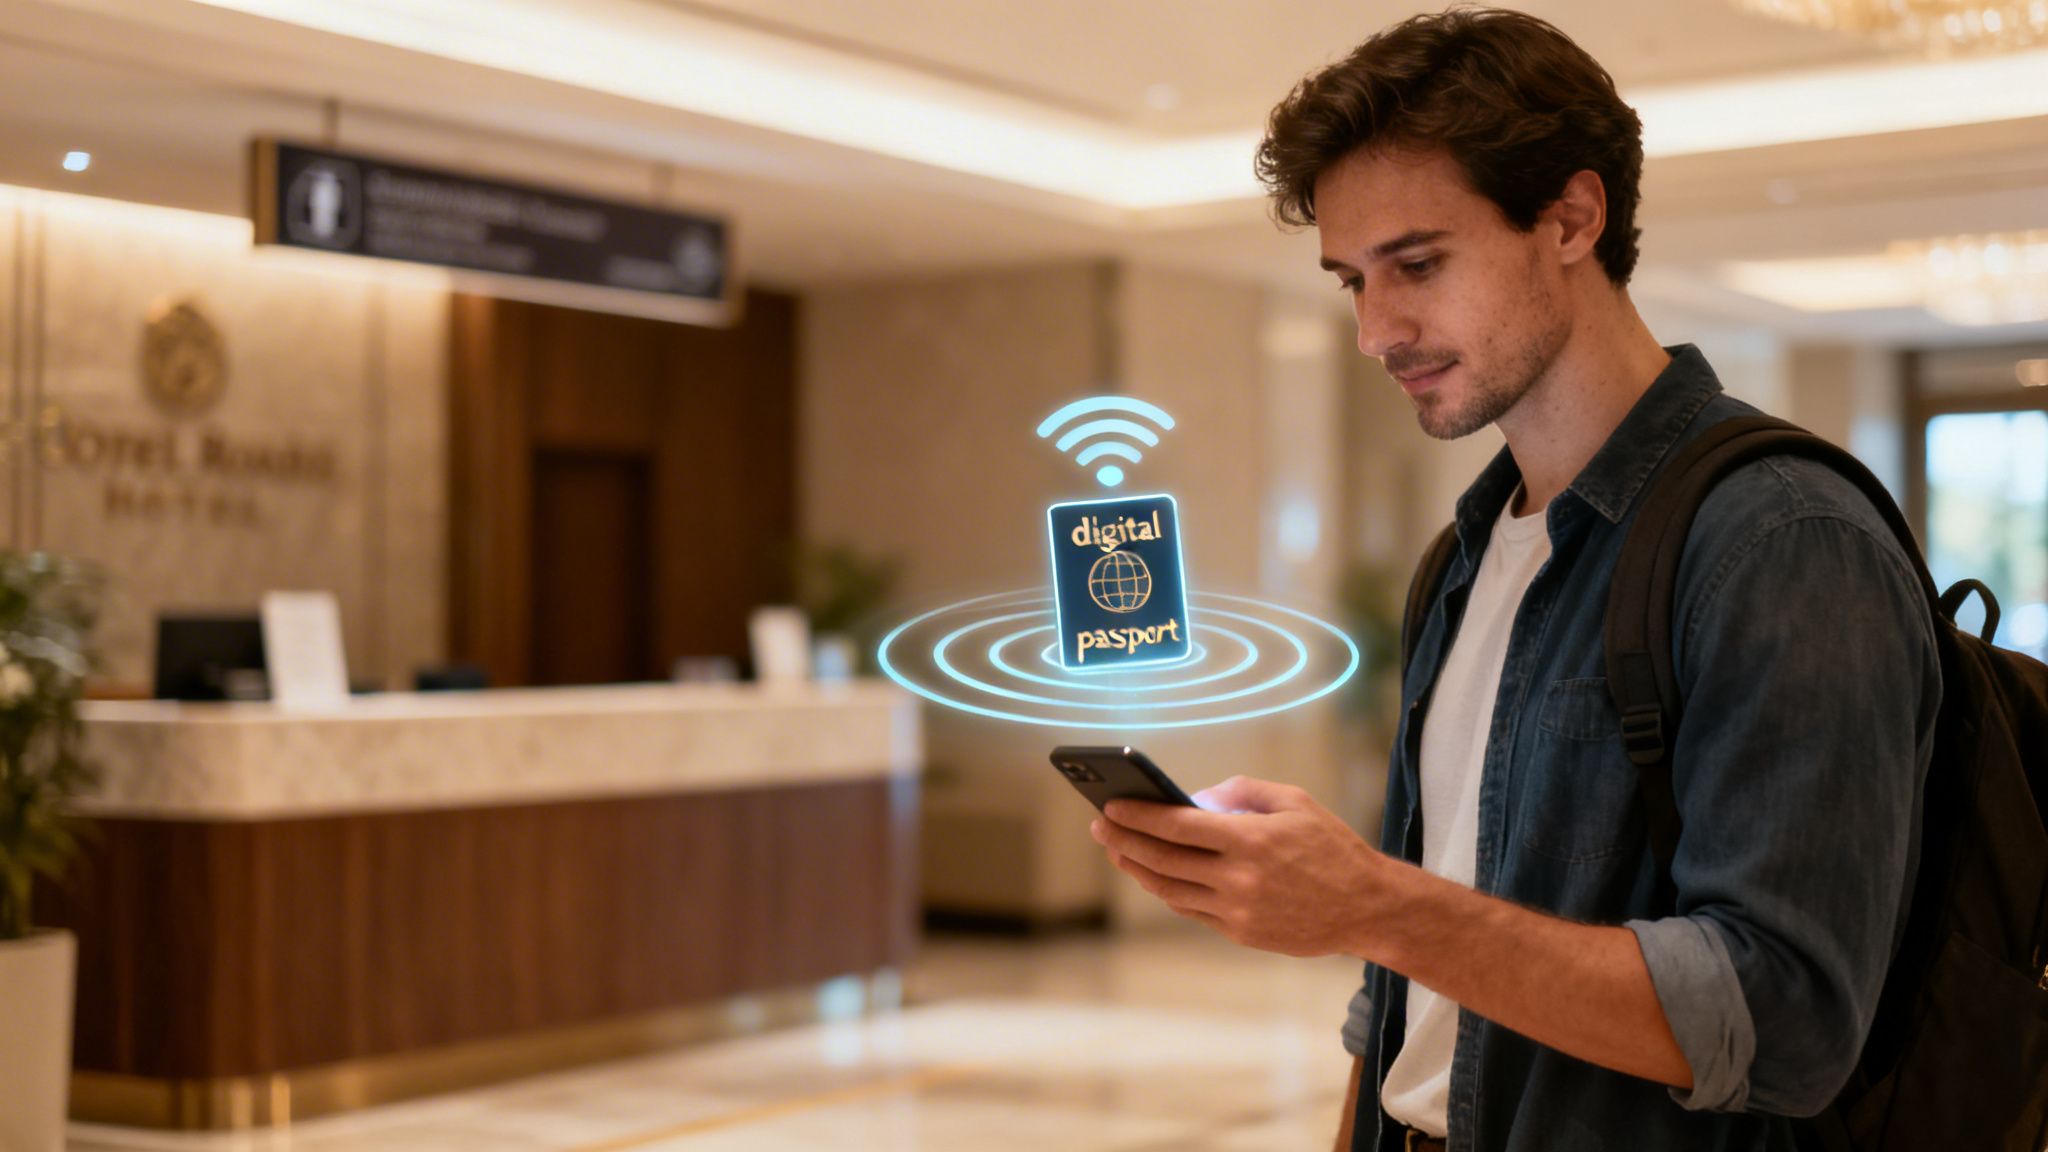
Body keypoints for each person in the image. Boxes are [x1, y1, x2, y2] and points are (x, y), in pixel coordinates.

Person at [1087, 8, 1940, 1152]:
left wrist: (1371, 905)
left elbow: (1779, 1019)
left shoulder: (1779, 539)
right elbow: (1401, 997)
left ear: (1571, 218)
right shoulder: (1459, 558)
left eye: (1417, 265)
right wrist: (1377, 929)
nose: (1374, 331)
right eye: (1350, 281)